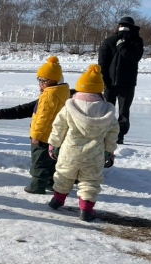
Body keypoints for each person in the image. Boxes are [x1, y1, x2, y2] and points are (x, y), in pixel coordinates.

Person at [47, 65, 119, 221]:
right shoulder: (108, 112)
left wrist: (54, 145)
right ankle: (86, 210)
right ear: (100, 90)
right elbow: (112, 134)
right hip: (94, 155)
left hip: (70, 151)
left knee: (64, 175)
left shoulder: (70, 107)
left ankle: (57, 200)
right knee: (90, 181)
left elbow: (58, 127)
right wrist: (110, 151)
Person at [24, 56, 71, 194]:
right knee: (52, 161)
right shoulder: (63, 91)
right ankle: (51, 183)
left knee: (39, 162)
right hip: (56, 136)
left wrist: (36, 135)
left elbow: (43, 117)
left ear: (54, 80)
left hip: (43, 136)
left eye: (43, 80)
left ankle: (37, 185)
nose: (40, 83)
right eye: (39, 80)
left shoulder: (49, 95)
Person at [98, 16, 144, 144]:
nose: (124, 28)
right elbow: (102, 61)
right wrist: (104, 78)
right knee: (107, 110)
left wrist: (122, 46)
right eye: (122, 25)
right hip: (110, 83)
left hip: (127, 83)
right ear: (118, 26)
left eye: (126, 26)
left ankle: (120, 135)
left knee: (124, 112)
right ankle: (106, 134)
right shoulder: (109, 41)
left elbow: (135, 57)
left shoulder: (136, 41)